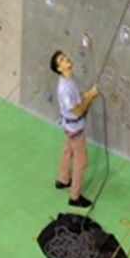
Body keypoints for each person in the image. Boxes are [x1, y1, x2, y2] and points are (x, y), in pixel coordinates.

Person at [51, 50, 99, 208]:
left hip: (69, 126)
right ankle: (74, 197)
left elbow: (78, 98)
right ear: (59, 68)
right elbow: (78, 110)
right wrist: (90, 97)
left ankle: (63, 179)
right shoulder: (65, 90)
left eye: (65, 57)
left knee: (68, 151)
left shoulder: (69, 78)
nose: (67, 59)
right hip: (75, 128)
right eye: (62, 60)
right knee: (81, 161)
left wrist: (88, 94)